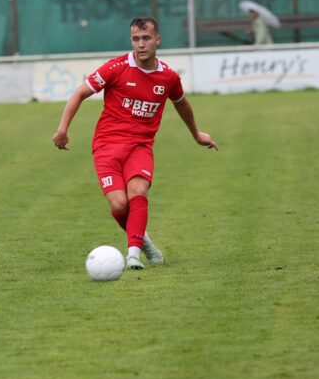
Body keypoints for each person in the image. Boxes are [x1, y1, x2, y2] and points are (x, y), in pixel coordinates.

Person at [52, 17, 218, 270]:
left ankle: (133, 255)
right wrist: (63, 129)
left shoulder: (168, 77)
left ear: (157, 40)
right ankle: (145, 242)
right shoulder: (115, 68)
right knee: (119, 205)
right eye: (136, 39)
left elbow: (181, 103)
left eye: (146, 38)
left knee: (138, 192)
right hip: (107, 146)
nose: (140, 44)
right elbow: (80, 93)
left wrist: (196, 134)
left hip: (140, 147)